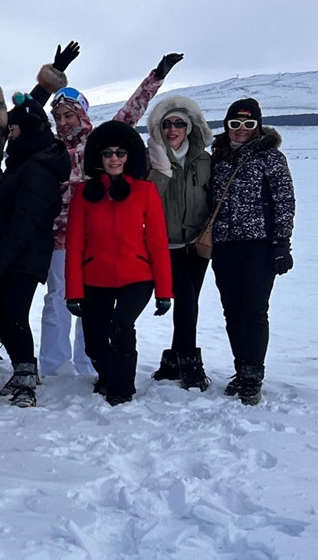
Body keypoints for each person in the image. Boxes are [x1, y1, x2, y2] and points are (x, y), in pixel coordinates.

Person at [38, 49, 183, 381]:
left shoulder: (99, 143)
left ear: (81, 114)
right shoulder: (50, 149)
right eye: (58, 116)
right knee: (58, 300)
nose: (63, 122)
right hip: (59, 237)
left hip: (99, 236)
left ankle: (88, 363)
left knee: (92, 306)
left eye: (69, 115)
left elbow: (133, 109)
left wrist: (156, 76)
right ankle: (53, 367)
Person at [65, 121, 173, 406]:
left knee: (122, 326)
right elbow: (74, 246)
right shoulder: (83, 195)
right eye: (108, 153)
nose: (114, 159)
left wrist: (164, 292)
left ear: (129, 156)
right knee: (94, 342)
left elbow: (158, 244)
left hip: (136, 277)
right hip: (95, 277)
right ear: (99, 157)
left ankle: (122, 389)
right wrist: (73, 292)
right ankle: (107, 376)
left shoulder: (145, 191)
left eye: (120, 153)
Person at [0, 93, 70, 407]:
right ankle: (22, 371)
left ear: (25, 129)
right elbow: (0, 209)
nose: (10, 135)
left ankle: (26, 379)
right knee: (6, 316)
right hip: (15, 254)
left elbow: (24, 223)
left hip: (24, 257)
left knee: (14, 315)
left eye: (13, 129)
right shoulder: (25, 163)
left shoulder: (37, 170)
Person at [210, 98, 294, 405]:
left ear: (258, 126)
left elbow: (285, 201)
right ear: (227, 126)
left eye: (248, 124)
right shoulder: (218, 157)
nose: (241, 129)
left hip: (259, 245)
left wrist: (282, 243)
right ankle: (240, 368)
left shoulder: (270, 157)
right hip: (224, 245)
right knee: (232, 310)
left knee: (254, 309)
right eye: (235, 124)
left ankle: (252, 375)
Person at [146, 97, 213, 391]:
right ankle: (189, 363)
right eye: (167, 124)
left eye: (179, 124)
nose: (173, 130)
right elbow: (146, 199)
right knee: (185, 298)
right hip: (165, 245)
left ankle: (173, 360)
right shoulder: (150, 159)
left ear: (189, 127)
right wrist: (161, 169)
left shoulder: (204, 160)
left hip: (197, 244)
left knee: (189, 302)